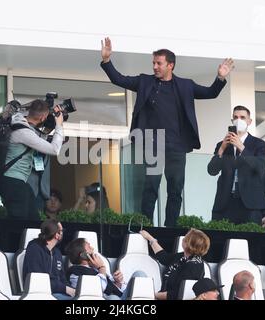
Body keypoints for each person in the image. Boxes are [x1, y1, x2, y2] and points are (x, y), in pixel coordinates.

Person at [100, 37, 234, 227]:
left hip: (177, 146)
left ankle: (170, 228)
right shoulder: (145, 82)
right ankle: (144, 227)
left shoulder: (185, 85)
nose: (155, 66)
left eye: (159, 63)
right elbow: (118, 79)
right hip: (153, 144)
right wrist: (106, 61)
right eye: (153, 63)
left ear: (170, 65)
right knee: (151, 186)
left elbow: (210, 92)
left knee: (175, 190)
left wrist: (220, 77)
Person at [0, 100, 64, 220]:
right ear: (43, 117)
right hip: (13, 182)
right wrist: (59, 124)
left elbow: (38, 138)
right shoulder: (24, 132)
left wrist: (48, 127)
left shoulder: (15, 123)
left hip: (12, 181)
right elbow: (54, 149)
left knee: (32, 219)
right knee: (20, 224)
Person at [208, 105, 265, 225]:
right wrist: (222, 149)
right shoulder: (222, 144)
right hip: (226, 201)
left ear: (249, 121)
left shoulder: (258, 144)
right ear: (232, 121)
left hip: (249, 203)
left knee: (249, 240)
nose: (238, 120)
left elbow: (260, 166)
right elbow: (212, 170)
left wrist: (241, 147)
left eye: (242, 117)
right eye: (235, 117)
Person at [140, 228, 210, 300]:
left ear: (189, 244)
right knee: (140, 276)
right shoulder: (183, 256)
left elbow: (177, 294)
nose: (183, 238)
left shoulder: (194, 266)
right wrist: (150, 238)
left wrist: (152, 295)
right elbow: (164, 258)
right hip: (161, 296)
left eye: (186, 237)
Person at [22, 219, 75, 300]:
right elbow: (38, 280)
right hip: (41, 294)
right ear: (57, 235)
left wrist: (73, 290)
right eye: (62, 230)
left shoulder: (57, 252)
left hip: (57, 293)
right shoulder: (34, 248)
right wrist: (65, 289)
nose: (63, 233)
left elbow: (62, 278)